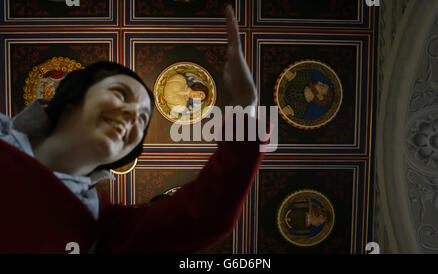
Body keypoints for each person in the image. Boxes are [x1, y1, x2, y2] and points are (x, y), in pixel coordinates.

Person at [0, 5, 266, 253]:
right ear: (73, 95)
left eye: (142, 119)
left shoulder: (104, 229)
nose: (131, 115)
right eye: (120, 93)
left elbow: (202, 216)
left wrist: (245, 105)